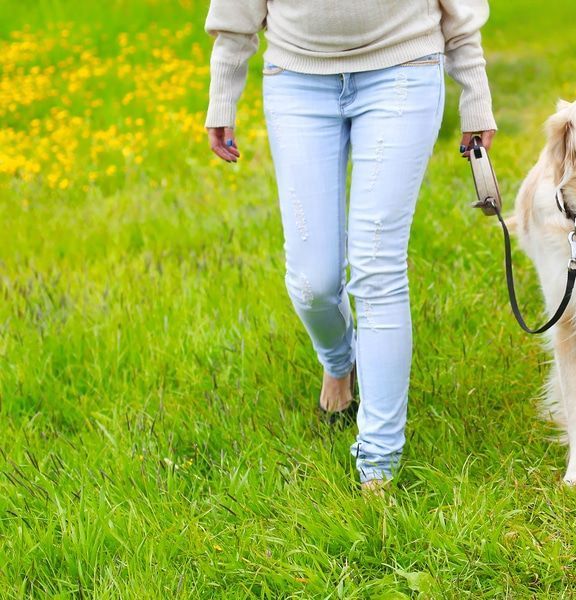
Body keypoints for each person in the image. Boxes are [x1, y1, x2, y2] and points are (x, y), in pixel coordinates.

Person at [203, 0, 497, 490]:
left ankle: (378, 463)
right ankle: (340, 363)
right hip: (296, 79)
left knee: (378, 266)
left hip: (403, 69)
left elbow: (461, 14)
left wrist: (476, 96)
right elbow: (236, 13)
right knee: (311, 282)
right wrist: (222, 94)